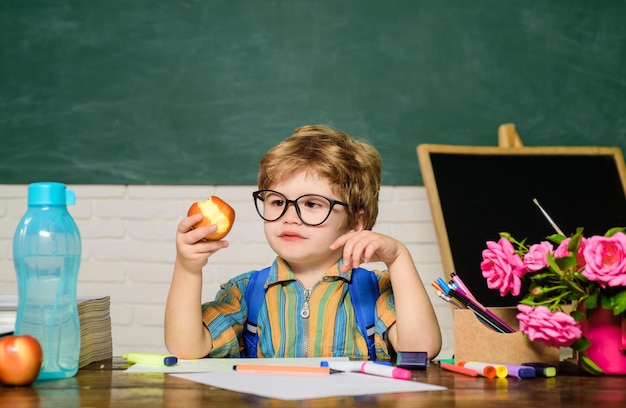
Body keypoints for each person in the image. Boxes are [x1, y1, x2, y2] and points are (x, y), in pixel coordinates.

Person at [164, 124, 441, 360]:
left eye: (311, 203)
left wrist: (399, 258)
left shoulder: (376, 291)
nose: (289, 216)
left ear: (357, 222)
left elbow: (421, 350)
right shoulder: (246, 292)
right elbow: (186, 349)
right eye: (277, 201)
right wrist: (188, 269)